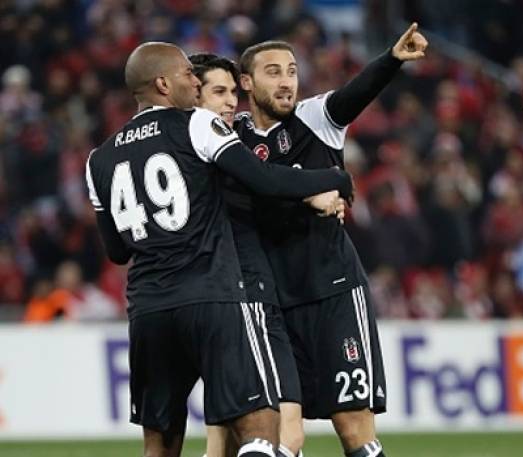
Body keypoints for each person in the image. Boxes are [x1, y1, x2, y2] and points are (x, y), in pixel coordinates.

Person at [85, 42, 353, 457]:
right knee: (262, 427)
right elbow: (264, 179)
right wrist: (331, 178)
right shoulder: (195, 124)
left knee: (159, 442)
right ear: (161, 84)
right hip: (213, 296)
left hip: (149, 308)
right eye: (186, 75)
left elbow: (117, 252)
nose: (195, 81)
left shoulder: (98, 159)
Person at [234, 23, 427, 457]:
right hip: (274, 304)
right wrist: (313, 191)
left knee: (353, 427)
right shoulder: (233, 139)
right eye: (272, 72)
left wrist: (392, 59)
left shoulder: (315, 118)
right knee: (281, 431)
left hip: (334, 292)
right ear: (246, 82)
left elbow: (355, 94)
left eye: (291, 71)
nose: (286, 81)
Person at [189, 52, 342, 457]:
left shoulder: (178, 149)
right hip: (246, 291)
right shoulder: (217, 148)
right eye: (218, 92)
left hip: (200, 295)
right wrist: (329, 183)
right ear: (193, 96)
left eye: (231, 92)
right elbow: (263, 183)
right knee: (285, 432)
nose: (229, 102)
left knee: (220, 440)